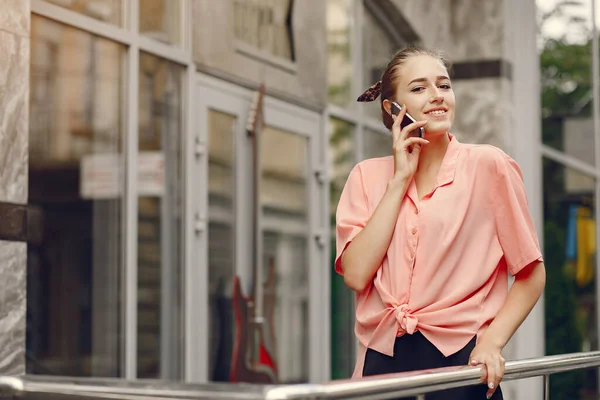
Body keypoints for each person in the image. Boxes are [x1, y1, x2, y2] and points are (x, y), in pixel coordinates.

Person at [335, 47, 546, 400]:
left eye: (444, 86)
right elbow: (356, 275)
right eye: (419, 89)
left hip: (460, 363)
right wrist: (400, 181)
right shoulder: (365, 177)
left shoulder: (488, 165)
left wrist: (492, 343)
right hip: (381, 363)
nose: (437, 96)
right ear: (392, 107)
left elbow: (530, 272)